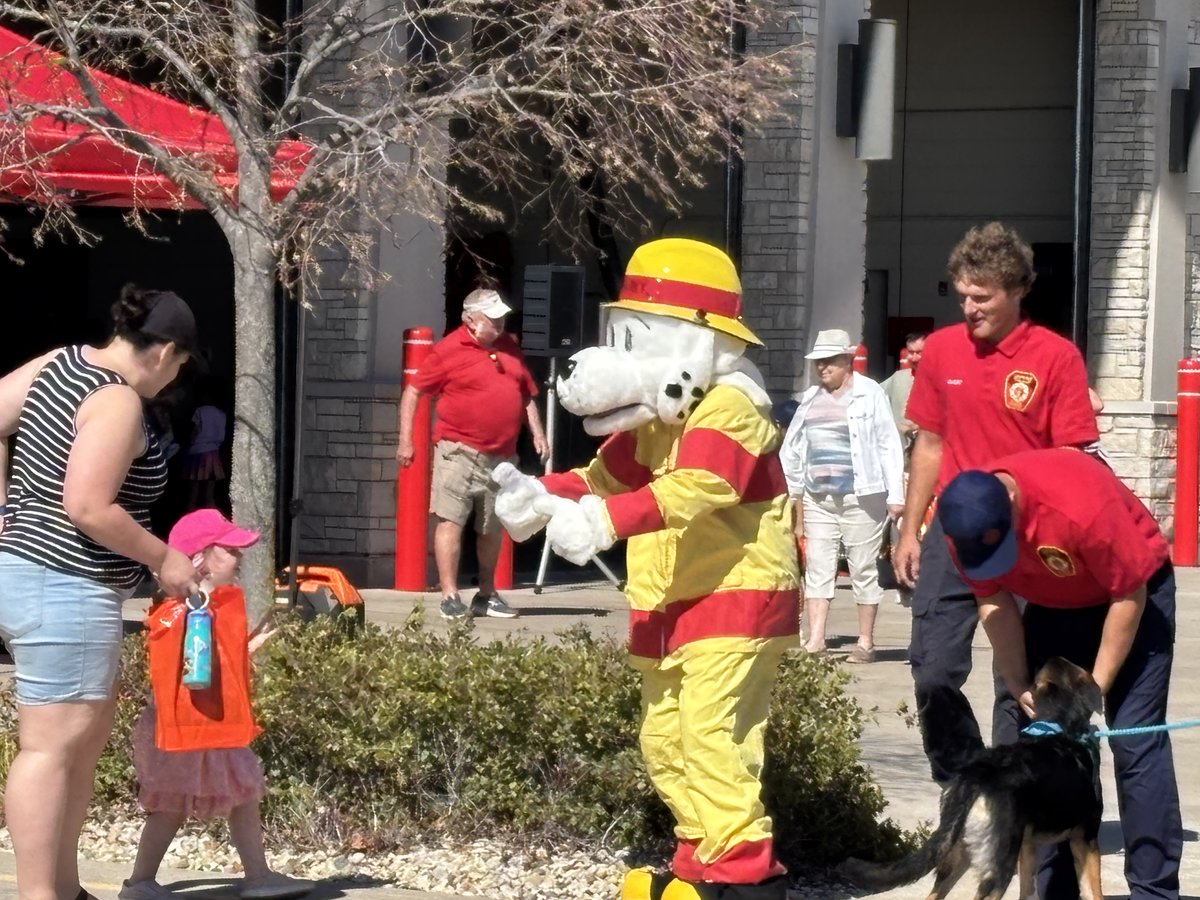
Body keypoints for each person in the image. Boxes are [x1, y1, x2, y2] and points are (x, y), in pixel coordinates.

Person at [0, 284, 202, 900]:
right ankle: (41, 895)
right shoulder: (117, 401)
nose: (176, 380)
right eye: (182, 365)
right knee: (51, 750)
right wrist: (165, 557)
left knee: (77, 748)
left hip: (28, 576)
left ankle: (63, 889)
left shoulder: (58, 362)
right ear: (165, 351)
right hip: (68, 585)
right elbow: (88, 505)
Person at [891, 222, 1099, 784]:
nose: (969, 308)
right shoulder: (940, 350)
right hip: (954, 534)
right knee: (932, 670)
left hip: (1030, 542)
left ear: (1017, 291)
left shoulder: (1056, 358)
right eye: (961, 296)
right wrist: (911, 531)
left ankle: (1013, 795)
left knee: (1021, 680)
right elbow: (929, 444)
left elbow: (1073, 458)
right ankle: (959, 784)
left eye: (981, 298)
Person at [939, 448, 1180, 900]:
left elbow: (1129, 595)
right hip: (1053, 605)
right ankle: (1055, 891)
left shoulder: (1078, 503)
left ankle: (1153, 890)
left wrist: (1095, 689)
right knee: (1042, 742)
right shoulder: (963, 523)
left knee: (1134, 739)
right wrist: (1015, 681)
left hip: (1133, 597)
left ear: (1012, 506)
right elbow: (993, 601)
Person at [120, 509, 316, 900]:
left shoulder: (209, 606)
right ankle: (141, 882)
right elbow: (185, 667)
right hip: (192, 725)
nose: (239, 557)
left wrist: (245, 648)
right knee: (178, 804)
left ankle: (253, 875)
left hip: (210, 724)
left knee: (230, 796)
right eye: (229, 550)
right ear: (198, 559)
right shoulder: (184, 609)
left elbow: (206, 661)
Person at [396, 287, 548, 619]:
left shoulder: (509, 347)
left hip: (503, 457)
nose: (500, 323)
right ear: (470, 320)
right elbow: (413, 392)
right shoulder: (447, 350)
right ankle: (450, 595)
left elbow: (525, 394)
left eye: (502, 317)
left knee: (492, 527)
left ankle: (487, 593)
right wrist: (406, 440)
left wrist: (538, 433)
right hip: (459, 452)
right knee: (450, 520)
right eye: (493, 319)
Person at [780, 329, 904, 662]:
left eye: (830, 362)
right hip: (820, 498)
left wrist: (897, 494)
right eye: (819, 363)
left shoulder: (869, 393)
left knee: (863, 566)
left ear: (847, 361)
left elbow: (888, 443)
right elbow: (792, 446)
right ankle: (816, 640)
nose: (823, 369)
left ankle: (865, 641)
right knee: (818, 567)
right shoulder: (809, 398)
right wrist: (795, 491)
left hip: (862, 497)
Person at [184, 379, 228, 512]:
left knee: (195, 486)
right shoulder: (221, 413)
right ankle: (211, 508)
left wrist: (188, 441)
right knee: (210, 485)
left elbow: (196, 430)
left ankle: (191, 509)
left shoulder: (200, 411)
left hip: (198, 450)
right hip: (214, 451)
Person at [879, 331, 926, 453]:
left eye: (919, 352)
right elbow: (874, 394)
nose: (914, 358)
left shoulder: (941, 381)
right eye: (910, 352)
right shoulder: (898, 378)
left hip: (927, 451)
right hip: (898, 452)